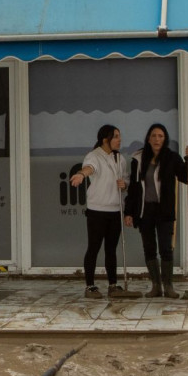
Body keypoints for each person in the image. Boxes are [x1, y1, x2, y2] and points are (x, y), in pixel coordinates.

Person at [125, 124, 188, 298]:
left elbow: (187, 179)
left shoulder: (171, 158)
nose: (157, 139)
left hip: (164, 210)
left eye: (161, 136)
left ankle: (168, 286)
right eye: (154, 136)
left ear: (165, 139)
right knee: (149, 248)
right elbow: (134, 188)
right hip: (145, 210)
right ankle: (156, 286)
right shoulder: (139, 159)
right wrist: (129, 212)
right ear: (148, 138)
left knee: (166, 248)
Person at [69, 124, 130, 298]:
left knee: (111, 249)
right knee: (94, 247)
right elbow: (90, 168)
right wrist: (81, 174)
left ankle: (113, 284)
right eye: (116, 136)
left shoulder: (120, 159)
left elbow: (126, 179)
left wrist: (124, 184)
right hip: (97, 211)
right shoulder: (94, 155)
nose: (119, 140)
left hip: (116, 209)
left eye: (119, 136)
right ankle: (90, 286)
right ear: (106, 139)